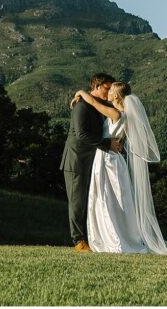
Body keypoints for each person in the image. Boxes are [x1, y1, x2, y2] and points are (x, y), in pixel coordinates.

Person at [72, 81, 167, 255]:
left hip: (108, 160)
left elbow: (93, 103)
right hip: (112, 159)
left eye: (111, 90)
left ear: (116, 96)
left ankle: (114, 238)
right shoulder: (125, 114)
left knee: (108, 200)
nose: (108, 92)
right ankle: (116, 236)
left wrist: (81, 93)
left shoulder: (115, 113)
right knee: (114, 200)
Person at [59, 73, 123, 252]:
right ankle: (78, 241)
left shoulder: (98, 104)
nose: (109, 91)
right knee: (77, 202)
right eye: (106, 88)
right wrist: (107, 144)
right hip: (76, 160)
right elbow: (82, 134)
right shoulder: (82, 105)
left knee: (91, 201)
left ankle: (93, 239)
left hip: (93, 161)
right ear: (97, 86)